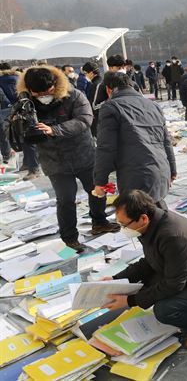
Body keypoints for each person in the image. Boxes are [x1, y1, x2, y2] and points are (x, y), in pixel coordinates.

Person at [103, 189, 187, 349]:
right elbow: (149, 261)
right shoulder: (151, 225)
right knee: (148, 286)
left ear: (143, 218)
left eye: (124, 225)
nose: (122, 229)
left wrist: (130, 301)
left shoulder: (173, 236)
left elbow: (173, 284)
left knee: (164, 310)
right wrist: (115, 280)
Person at [16, 66, 120, 251]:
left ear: (54, 85)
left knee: (97, 190)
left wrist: (54, 130)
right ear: (30, 89)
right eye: (37, 93)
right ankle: (69, 237)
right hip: (53, 160)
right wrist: (22, 126)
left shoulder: (74, 95)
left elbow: (84, 120)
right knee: (65, 199)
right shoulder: (26, 103)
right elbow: (21, 131)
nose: (43, 96)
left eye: (46, 91)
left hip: (82, 154)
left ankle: (99, 221)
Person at [93, 72, 177, 207]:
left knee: (140, 220)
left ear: (109, 89)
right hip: (162, 171)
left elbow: (106, 148)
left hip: (135, 176)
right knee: (157, 214)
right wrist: (172, 169)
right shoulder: (153, 105)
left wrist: (100, 182)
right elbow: (166, 141)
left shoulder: (111, 107)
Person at [1, 62, 40, 178]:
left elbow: (3, 98)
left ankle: (34, 169)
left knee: (22, 138)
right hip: (26, 110)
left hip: (11, 112)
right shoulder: (20, 77)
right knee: (26, 137)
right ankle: (28, 163)